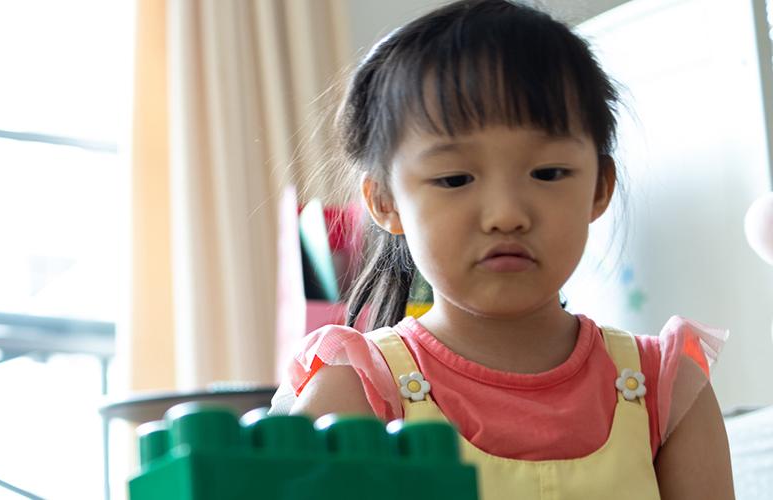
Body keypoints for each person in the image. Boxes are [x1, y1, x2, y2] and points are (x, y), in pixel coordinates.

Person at [270, 1, 735, 498]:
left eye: (548, 173)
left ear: (599, 187)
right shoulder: (357, 392)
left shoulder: (665, 388)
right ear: (385, 202)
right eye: (455, 179)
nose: (506, 214)